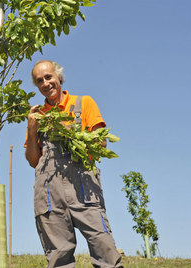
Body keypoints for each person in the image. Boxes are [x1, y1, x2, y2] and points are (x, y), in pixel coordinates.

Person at [25, 60, 123, 268]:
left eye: (49, 77)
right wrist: (32, 129)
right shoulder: (37, 116)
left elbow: (101, 142)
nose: (46, 83)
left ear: (58, 77)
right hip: (49, 193)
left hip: (83, 187)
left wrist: (64, 128)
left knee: (102, 244)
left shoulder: (83, 103)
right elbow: (34, 160)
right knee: (58, 255)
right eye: (39, 81)